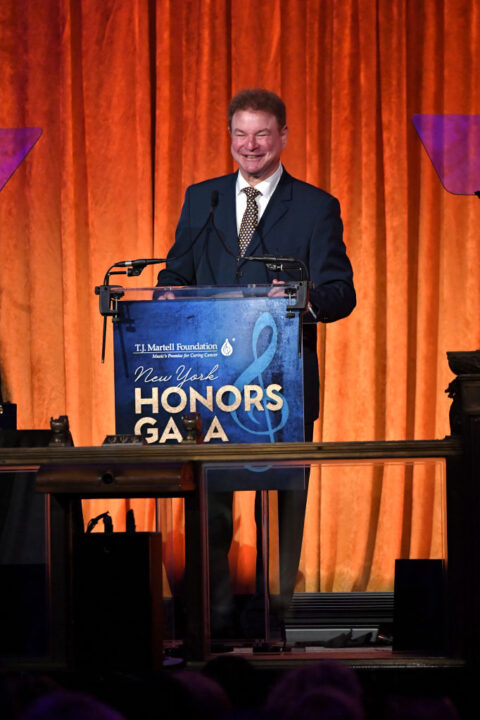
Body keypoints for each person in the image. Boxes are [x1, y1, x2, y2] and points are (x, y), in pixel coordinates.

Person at [157, 88, 356, 637]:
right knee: (212, 505)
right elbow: (178, 271)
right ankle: (213, 620)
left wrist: (298, 297)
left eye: (262, 134)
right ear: (229, 136)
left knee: (282, 507)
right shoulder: (204, 200)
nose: (251, 145)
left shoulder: (316, 206)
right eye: (241, 134)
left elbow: (341, 292)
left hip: (282, 382)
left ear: (283, 137)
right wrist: (169, 293)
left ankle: (275, 620)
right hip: (210, 383)